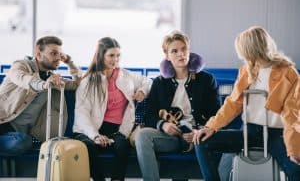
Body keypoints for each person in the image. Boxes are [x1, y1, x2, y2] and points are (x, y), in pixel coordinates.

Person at [193, 26, 300, 181]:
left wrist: (294, 147)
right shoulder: (246, 70)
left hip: (277, 135)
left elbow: (293, 113)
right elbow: (232, 103)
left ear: (253, 49)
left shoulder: (288, 72)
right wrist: (211, 127)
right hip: (249, 131)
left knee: (296, 170)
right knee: (201, 142)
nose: (242, 56)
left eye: (243, 51)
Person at [135, 30, 221, 181]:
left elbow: (216, 113)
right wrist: (162, 125)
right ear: (167, 56)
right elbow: (149, 114)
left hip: (198, 137)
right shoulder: (160, 82)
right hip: (171, 137)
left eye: (184, 49)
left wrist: (199, 131)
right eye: (174, 51)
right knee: (142, 136)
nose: (181, 54)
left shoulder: (207, 80)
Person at [73, 37, 151, 181]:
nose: (115, 59)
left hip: (116, 131)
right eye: (111, 55)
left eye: (118, 55)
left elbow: (147, 81)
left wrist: (142, 91)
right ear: (101, 55)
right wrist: (96, 136)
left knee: (123, 147)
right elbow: (82, 114)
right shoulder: (88, 81)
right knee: (89, 147)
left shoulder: (126, 76)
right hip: (89, 131)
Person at [0, 36, 80, 156]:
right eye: (53, 53)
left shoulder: (52, 79)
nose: (58, 57)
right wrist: (44, 85)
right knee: (23, 142)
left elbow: (78, 85)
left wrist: (70, 63)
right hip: (3, 124)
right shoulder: (20, 66)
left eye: (60, 54)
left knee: (23, 141)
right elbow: (24, 79)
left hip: (17, 136)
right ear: (38, 53)